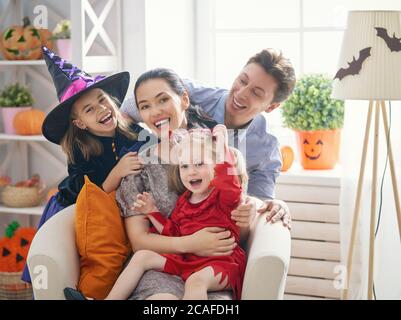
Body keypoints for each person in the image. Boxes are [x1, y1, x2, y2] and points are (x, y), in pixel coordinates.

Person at [112, 68, 290, 300]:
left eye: (163, 99)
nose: (155, 111)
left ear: (184, 99)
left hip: (211, 272)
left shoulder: (224, 159)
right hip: (163, 268)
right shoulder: (137, 169)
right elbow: (139, 241)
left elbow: (235, 224)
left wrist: (258, 210)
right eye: (145, 106)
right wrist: (192, 243)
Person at [64, 125, 248, 300]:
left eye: (199, 164)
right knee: (142, 256)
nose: (191, 172)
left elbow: (230, 178)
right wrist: (152, 212)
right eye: (184, 166)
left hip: (221, 263)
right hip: (188, 260)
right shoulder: (184, 202)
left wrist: (222, 145)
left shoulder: (223, 197)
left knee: (195, 281)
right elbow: (173, 232)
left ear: (216, 167)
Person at [121, 48, 296, 229]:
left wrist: (273, 204)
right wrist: (130, 154)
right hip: (168, 218)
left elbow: (258, 201)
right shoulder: (188, 93)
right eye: (242, 80)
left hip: (214, 228)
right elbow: (125, 112)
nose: (242, 93)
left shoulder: (266, 149)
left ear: (272, 106)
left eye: (256, 93)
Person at [21, 47, 146, 283]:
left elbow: (154, 146)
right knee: (92, 260)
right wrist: (117, 173)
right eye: (90, 109)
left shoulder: (131, 132)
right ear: (80, 123)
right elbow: (89, 195)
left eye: (102, 100)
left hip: (124, 209)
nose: (101, 109)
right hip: (79, 206)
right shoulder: (81, 151)